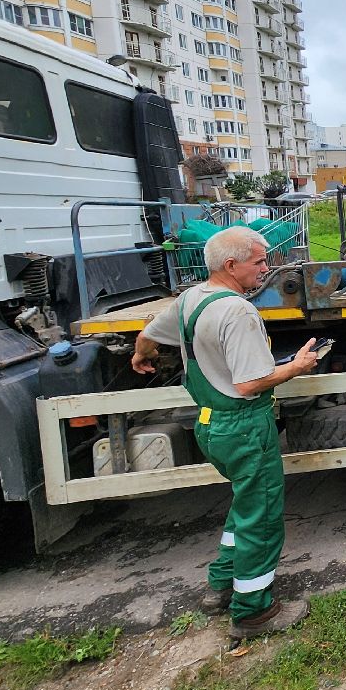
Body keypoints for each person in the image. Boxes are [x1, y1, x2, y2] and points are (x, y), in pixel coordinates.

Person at [131, 226, 319, 639]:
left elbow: (147, 337)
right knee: (262, 516)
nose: (267, 270)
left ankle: (220, 586)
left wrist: (140, 358)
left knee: (245, 505)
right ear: (231, 265)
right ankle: (254, 611)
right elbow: (250, 384)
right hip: (244, 426)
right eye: (259, 262)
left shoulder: (190, 300)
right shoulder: (237, 312)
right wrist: (297, 367)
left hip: (210, 422)